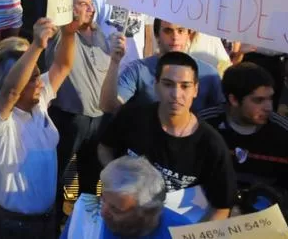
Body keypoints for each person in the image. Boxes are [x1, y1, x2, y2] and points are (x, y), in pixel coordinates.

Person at [98, 52, 237, 221]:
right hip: (121, 222)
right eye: (168, 84)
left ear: (196, 89)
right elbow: (105, 147)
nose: (176, 94)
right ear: (156, 85)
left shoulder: (211, 144)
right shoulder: (132, 117)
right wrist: (118, 178)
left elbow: (221, 207)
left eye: (185, 86)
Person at [0, 17, 77, 236]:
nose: (40, 82)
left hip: (47, 221)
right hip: (12, 228)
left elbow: (62, 66)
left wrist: (69, 34)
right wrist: (36, 46)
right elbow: (11, 92)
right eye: (32, 78)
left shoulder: (39, 101)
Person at [199, 63, 288, 226]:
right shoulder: (204, 127)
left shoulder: (285, 135)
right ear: (234, 99)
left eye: (270, 98)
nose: (268, 107)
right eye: (258, 100)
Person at [46, 0, 112, 207]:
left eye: (91, 4)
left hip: (99, 120)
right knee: (56, 177)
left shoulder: (100, 34)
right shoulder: (60, 33)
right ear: (68, 7)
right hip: (68, 118)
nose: (90, 9)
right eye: (83, 4)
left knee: (92, 184)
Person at [99, 20, 224, 114]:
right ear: (157, 36)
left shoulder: (209, 75)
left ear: (188, 35)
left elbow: (223, 115)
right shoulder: (138, 70)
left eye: (181, 30)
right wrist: (114, 62)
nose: (175, 37)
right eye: (168, 31)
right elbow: (109, 107)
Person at [63, 156, 191, 239]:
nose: (102, 212)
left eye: (115, 209)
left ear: (148, 213)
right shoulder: (85, 212)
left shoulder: (183, 232)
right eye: (103, 199)